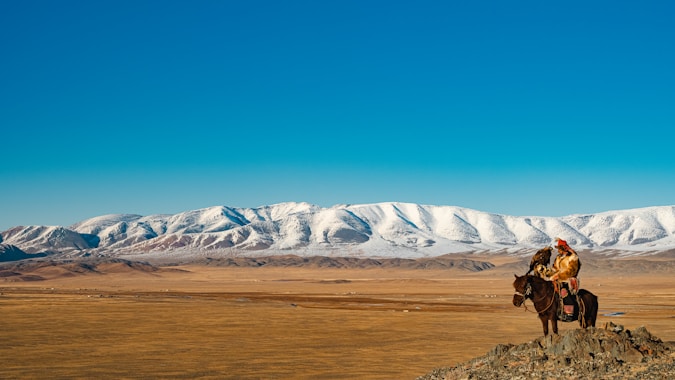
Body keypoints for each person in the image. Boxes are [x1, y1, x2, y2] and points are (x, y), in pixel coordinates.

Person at [549, 237, 581, 321]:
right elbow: (554, 269)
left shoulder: (573, 257)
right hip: (557, 280)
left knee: (564, 292)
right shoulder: (558, 258)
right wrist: (546, 272)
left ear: (563, 248)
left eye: (559, 249)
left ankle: (569, 314)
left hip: (568, 280)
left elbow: (571, 271)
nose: (558, 250)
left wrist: (558, 276)